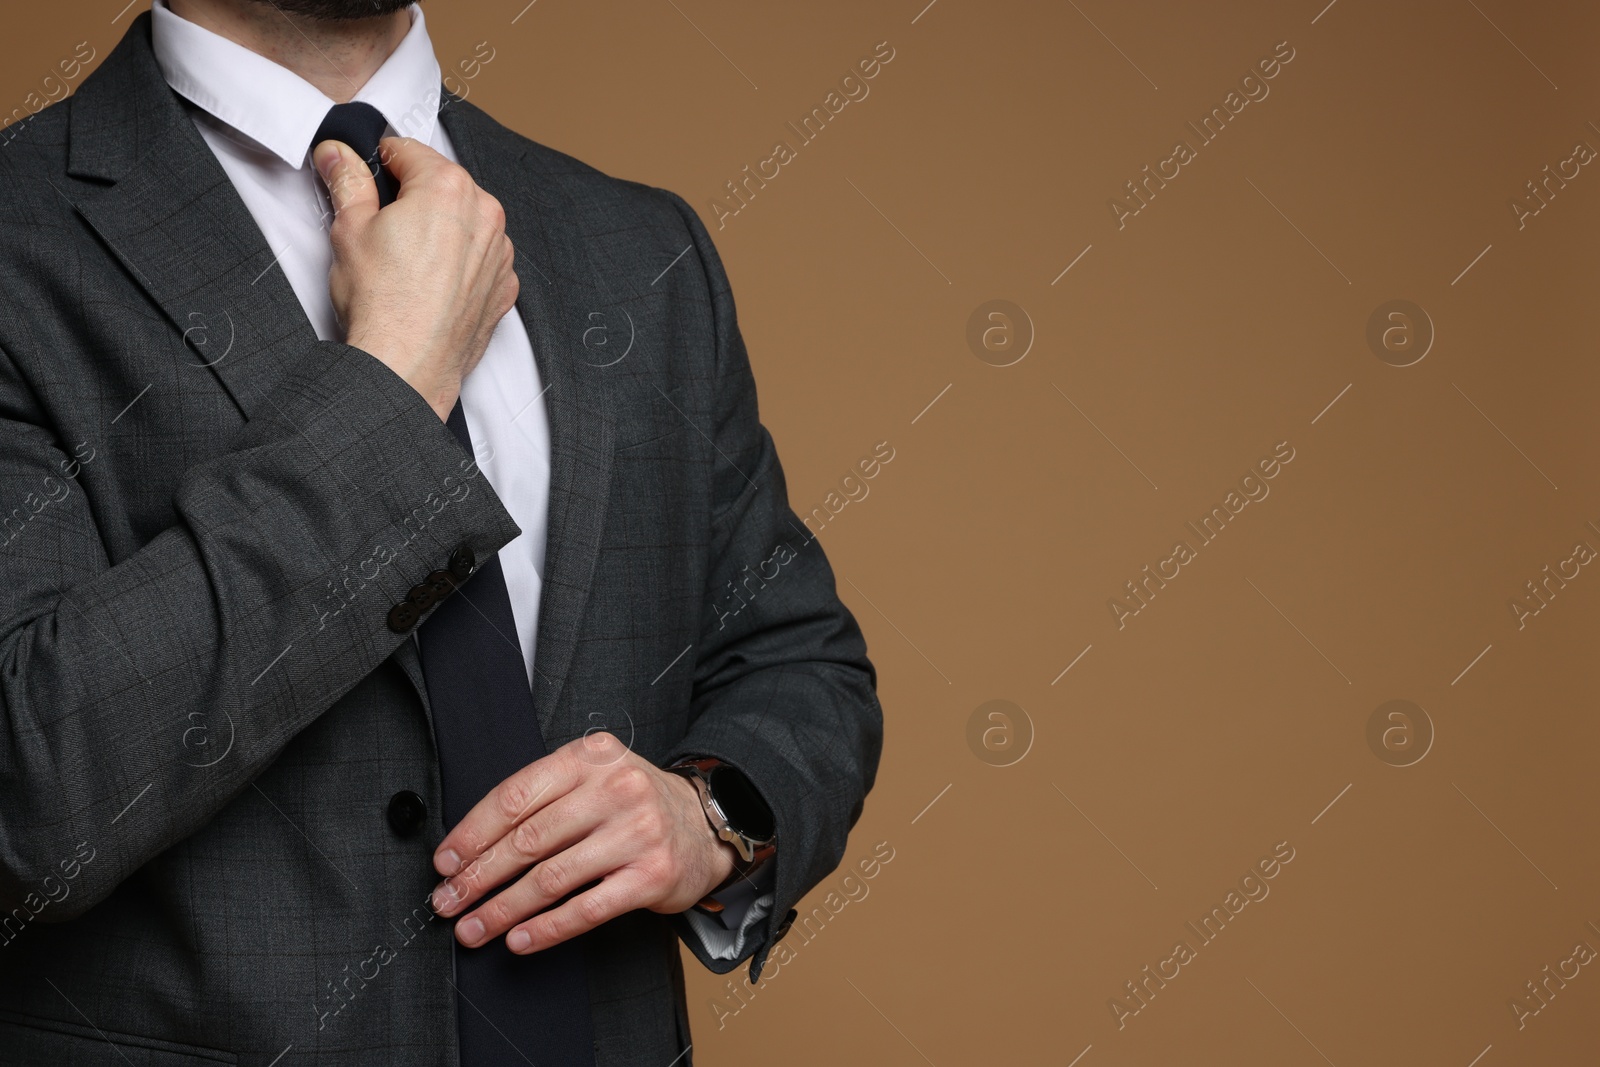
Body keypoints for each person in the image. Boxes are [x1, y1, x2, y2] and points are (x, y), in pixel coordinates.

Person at [0, 2, 881, 1064]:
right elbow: (28, 788)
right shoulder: (21, 231)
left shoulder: (640, 244)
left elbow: (797, 657)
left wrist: (712, 810)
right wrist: (392, 389)